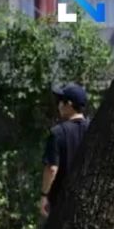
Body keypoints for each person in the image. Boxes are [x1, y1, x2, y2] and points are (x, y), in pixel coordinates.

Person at [40, 83, 91, 217]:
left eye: (60, 101)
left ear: (68, 104)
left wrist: (44, 195)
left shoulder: (58, 133)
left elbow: (51, 169)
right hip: (88, 199)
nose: (58, 105)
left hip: (61, 202)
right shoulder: (94, 130)